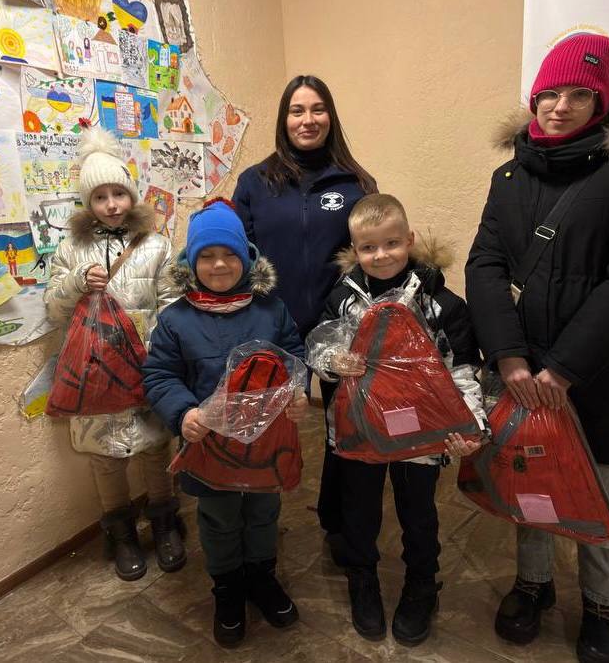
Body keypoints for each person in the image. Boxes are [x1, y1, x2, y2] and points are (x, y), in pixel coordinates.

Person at [465, 33, 609, 663]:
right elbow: (485, 263)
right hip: (521, 366)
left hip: (600, 371)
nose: (560, 107)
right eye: (549, 93)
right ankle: (533, 585)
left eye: (578, 95)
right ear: (534, 98)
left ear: (601, 101)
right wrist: (508, 356)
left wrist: (563, 369)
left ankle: (603, 605)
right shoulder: (509, 175)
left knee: (596, 496)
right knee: (528, 479)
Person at [311, 194, 485, 645]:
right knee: (359, 512)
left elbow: (462, 369)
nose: (381, 255)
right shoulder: (342, 299)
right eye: (369, 247)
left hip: (421, 436)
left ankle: (422, 583)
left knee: (419, 514)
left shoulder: (442, 304)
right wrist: (333, 361)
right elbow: (319, 345)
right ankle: (362, 578)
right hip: (361, 431)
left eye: (391, 243)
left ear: (409, 239)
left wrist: (471, 425)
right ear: (355, 249)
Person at [142, 198, 309, 648]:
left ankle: (261, 574)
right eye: (208, 255)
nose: (219, 264)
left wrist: (298, 391)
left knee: (263, 513)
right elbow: (159, 375)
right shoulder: (175, 320)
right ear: (191, 263)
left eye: (229, 254)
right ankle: (228, 586)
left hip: (266, 443)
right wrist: (184, 412)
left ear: (247, 257)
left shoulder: (271, 310)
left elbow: (294, 357)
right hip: (209, 446)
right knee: (218, 519)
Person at [232, 75, 376, 561]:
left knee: (343, 429)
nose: (307, 120)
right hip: (272, 327)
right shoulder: (255, 182)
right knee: (263, 426)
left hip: (339, 329)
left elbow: (373, 255)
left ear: (330, 117)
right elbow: (239, 256)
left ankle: (338, 523)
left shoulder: (356, 184)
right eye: (297, 110)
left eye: (317, 109)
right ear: (284, 119)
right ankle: (257, 526)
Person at [44, 125, 185, 582]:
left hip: (146, 367)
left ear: (132, 195)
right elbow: (53, 309)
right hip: (94, 371)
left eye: (118, 193)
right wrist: (75, 282)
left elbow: (172, 304)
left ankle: (165, 521)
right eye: (100, 196)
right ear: (88, 202)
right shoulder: (70, 249)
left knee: (156, 448)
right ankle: (120, 532)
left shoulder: (157, 245)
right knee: (105, 457)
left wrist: (160, 352)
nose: (111, 204)